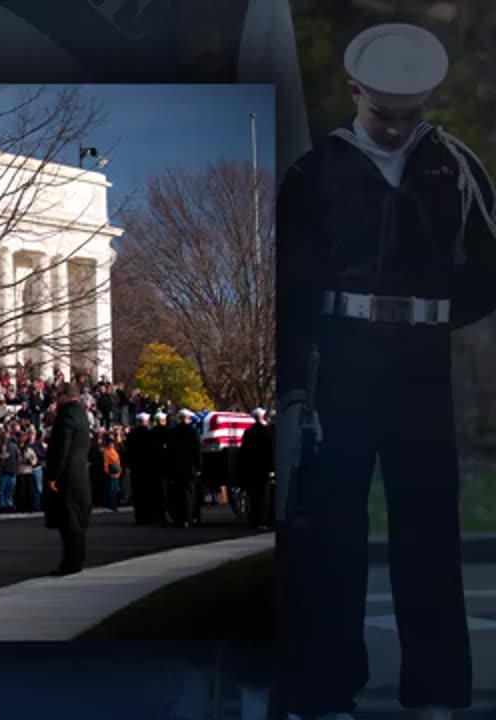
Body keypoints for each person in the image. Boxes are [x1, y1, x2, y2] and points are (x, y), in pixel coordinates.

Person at [274, 23, 495, 720]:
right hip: (341, 359)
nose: (397, 130)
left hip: (421, 367)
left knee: (430, 529)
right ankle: (327, 691)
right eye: (382, 115)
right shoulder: (314, 173)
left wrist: (430, 315)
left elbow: (489, 269)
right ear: (353, 94)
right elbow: (291, 288)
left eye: (409, 117)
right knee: (332, 531)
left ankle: (438, 693)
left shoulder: (454, 166)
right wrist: (295, 390)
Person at [42, 382, 92, 576]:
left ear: (65, 396)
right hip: (80, 473)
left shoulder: (66, 417)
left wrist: (53, 475)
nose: (55, 400)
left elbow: (62, 448)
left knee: (69, 522)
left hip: (67, 476)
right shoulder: (81, 415)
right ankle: (75, 561)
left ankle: (70, 563)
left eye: (57, 396)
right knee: (77, 522)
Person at [165, 409, 201, 528]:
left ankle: (179, 518)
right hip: (189, 468)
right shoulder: (193, 431)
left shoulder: (172, 432)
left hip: (176, 468)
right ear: (188, 419)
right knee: (189, 493)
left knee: (178, 493)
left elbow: (169, 452)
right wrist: (199, 466)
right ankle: (188, 517)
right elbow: (197, 451)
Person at [238, 408, 273, 530]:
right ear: (263, 417)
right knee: (264, 496)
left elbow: (244, 453)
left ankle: (253, 520)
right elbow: (271, 451)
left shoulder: (248, 433)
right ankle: (263, 521)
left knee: (253, 495)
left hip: (251, 469)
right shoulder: (267, 432)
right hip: (263, 469)